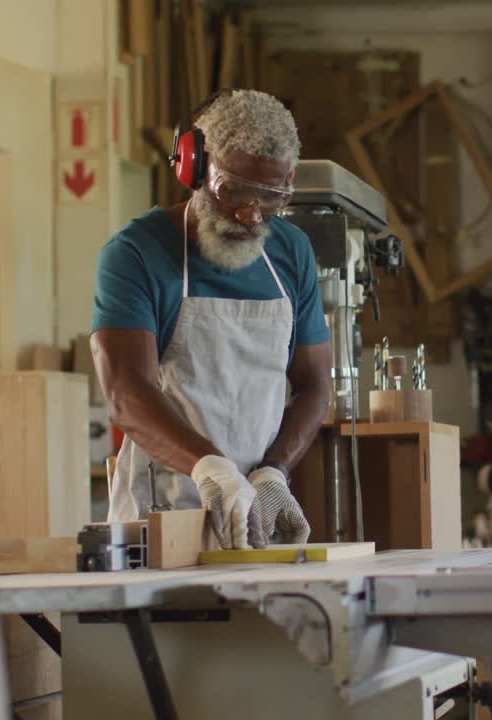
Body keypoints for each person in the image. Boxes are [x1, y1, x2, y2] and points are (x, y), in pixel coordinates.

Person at [90, 89, 331, 550]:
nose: (250, 213)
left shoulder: (292, 252)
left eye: (271, 197)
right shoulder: (137, 253)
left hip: (254, 518)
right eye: (233, 189)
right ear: (194, 168)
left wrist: (273, 472)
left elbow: (314, 382)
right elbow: (125, 392)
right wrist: (210, 467)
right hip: (159, 522)